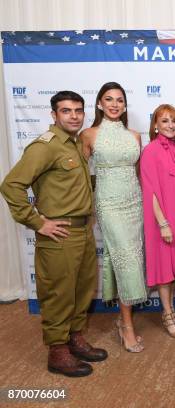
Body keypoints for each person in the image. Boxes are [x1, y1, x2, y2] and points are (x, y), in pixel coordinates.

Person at [1, 91, 107, 377]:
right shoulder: (45, 147)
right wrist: (37, 222)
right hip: (58, 235)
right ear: (53, 115)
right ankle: (57, 351)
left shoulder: (74, 145)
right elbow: (11, 185)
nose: (73, 116)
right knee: (59, 293)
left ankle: (75, 338)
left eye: (77, 110)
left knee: (81, 290)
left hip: (82, 231)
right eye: (66, 111)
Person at [81, 82, 147, 353]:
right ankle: (127, 326)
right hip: (108, 204)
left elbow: (140, 174)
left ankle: (123, 319)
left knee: (131, 257)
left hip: (134, 203)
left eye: (119, 100)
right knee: (126, 259)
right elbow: (81, 177)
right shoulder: (89, 134)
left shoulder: (134, 135)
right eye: (109, 99)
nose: (115, 104)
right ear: (99, 103)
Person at [140, 104, 175, 338]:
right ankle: (167, 314)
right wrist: (162, 223)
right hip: (160, 218)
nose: (171, 125)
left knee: (172, 268)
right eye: (165, 121)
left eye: (174, 120)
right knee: (164, 269)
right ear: (155, 125)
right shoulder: (151, 150)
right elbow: (150, 190)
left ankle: (170, 310)